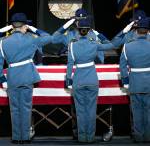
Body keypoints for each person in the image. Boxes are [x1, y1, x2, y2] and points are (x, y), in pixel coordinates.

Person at [0, 13, 54, 144]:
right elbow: (49, 37)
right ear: (24, 26)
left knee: (14, 109)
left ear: (12, 26)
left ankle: (16, 137)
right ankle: (25, 137)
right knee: (25, 107)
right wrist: (33, 28)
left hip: (12, 78)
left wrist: (2, 79)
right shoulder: (31, 38)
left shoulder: (3, 42)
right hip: (27, 76)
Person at [65, 17, 117, 143]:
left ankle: (82, 138)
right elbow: (112, 44)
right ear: (88, 30)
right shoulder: (94, 43)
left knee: (80, 111)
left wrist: (68, 81)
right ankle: (90, 137)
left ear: (78, 30)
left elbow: (70, 64)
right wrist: (99, 33)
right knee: (91, 110)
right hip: (92, 79)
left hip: (78, 80)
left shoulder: (72, 45)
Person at [120, 17, 150, 143]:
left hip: (134, 82)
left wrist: (126, 82)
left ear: (136, 31)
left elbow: (122, 66)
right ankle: (148, 137)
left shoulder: (127, 46)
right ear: (148, 31)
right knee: (148, 111)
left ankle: (138, 137)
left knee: (136, 112)